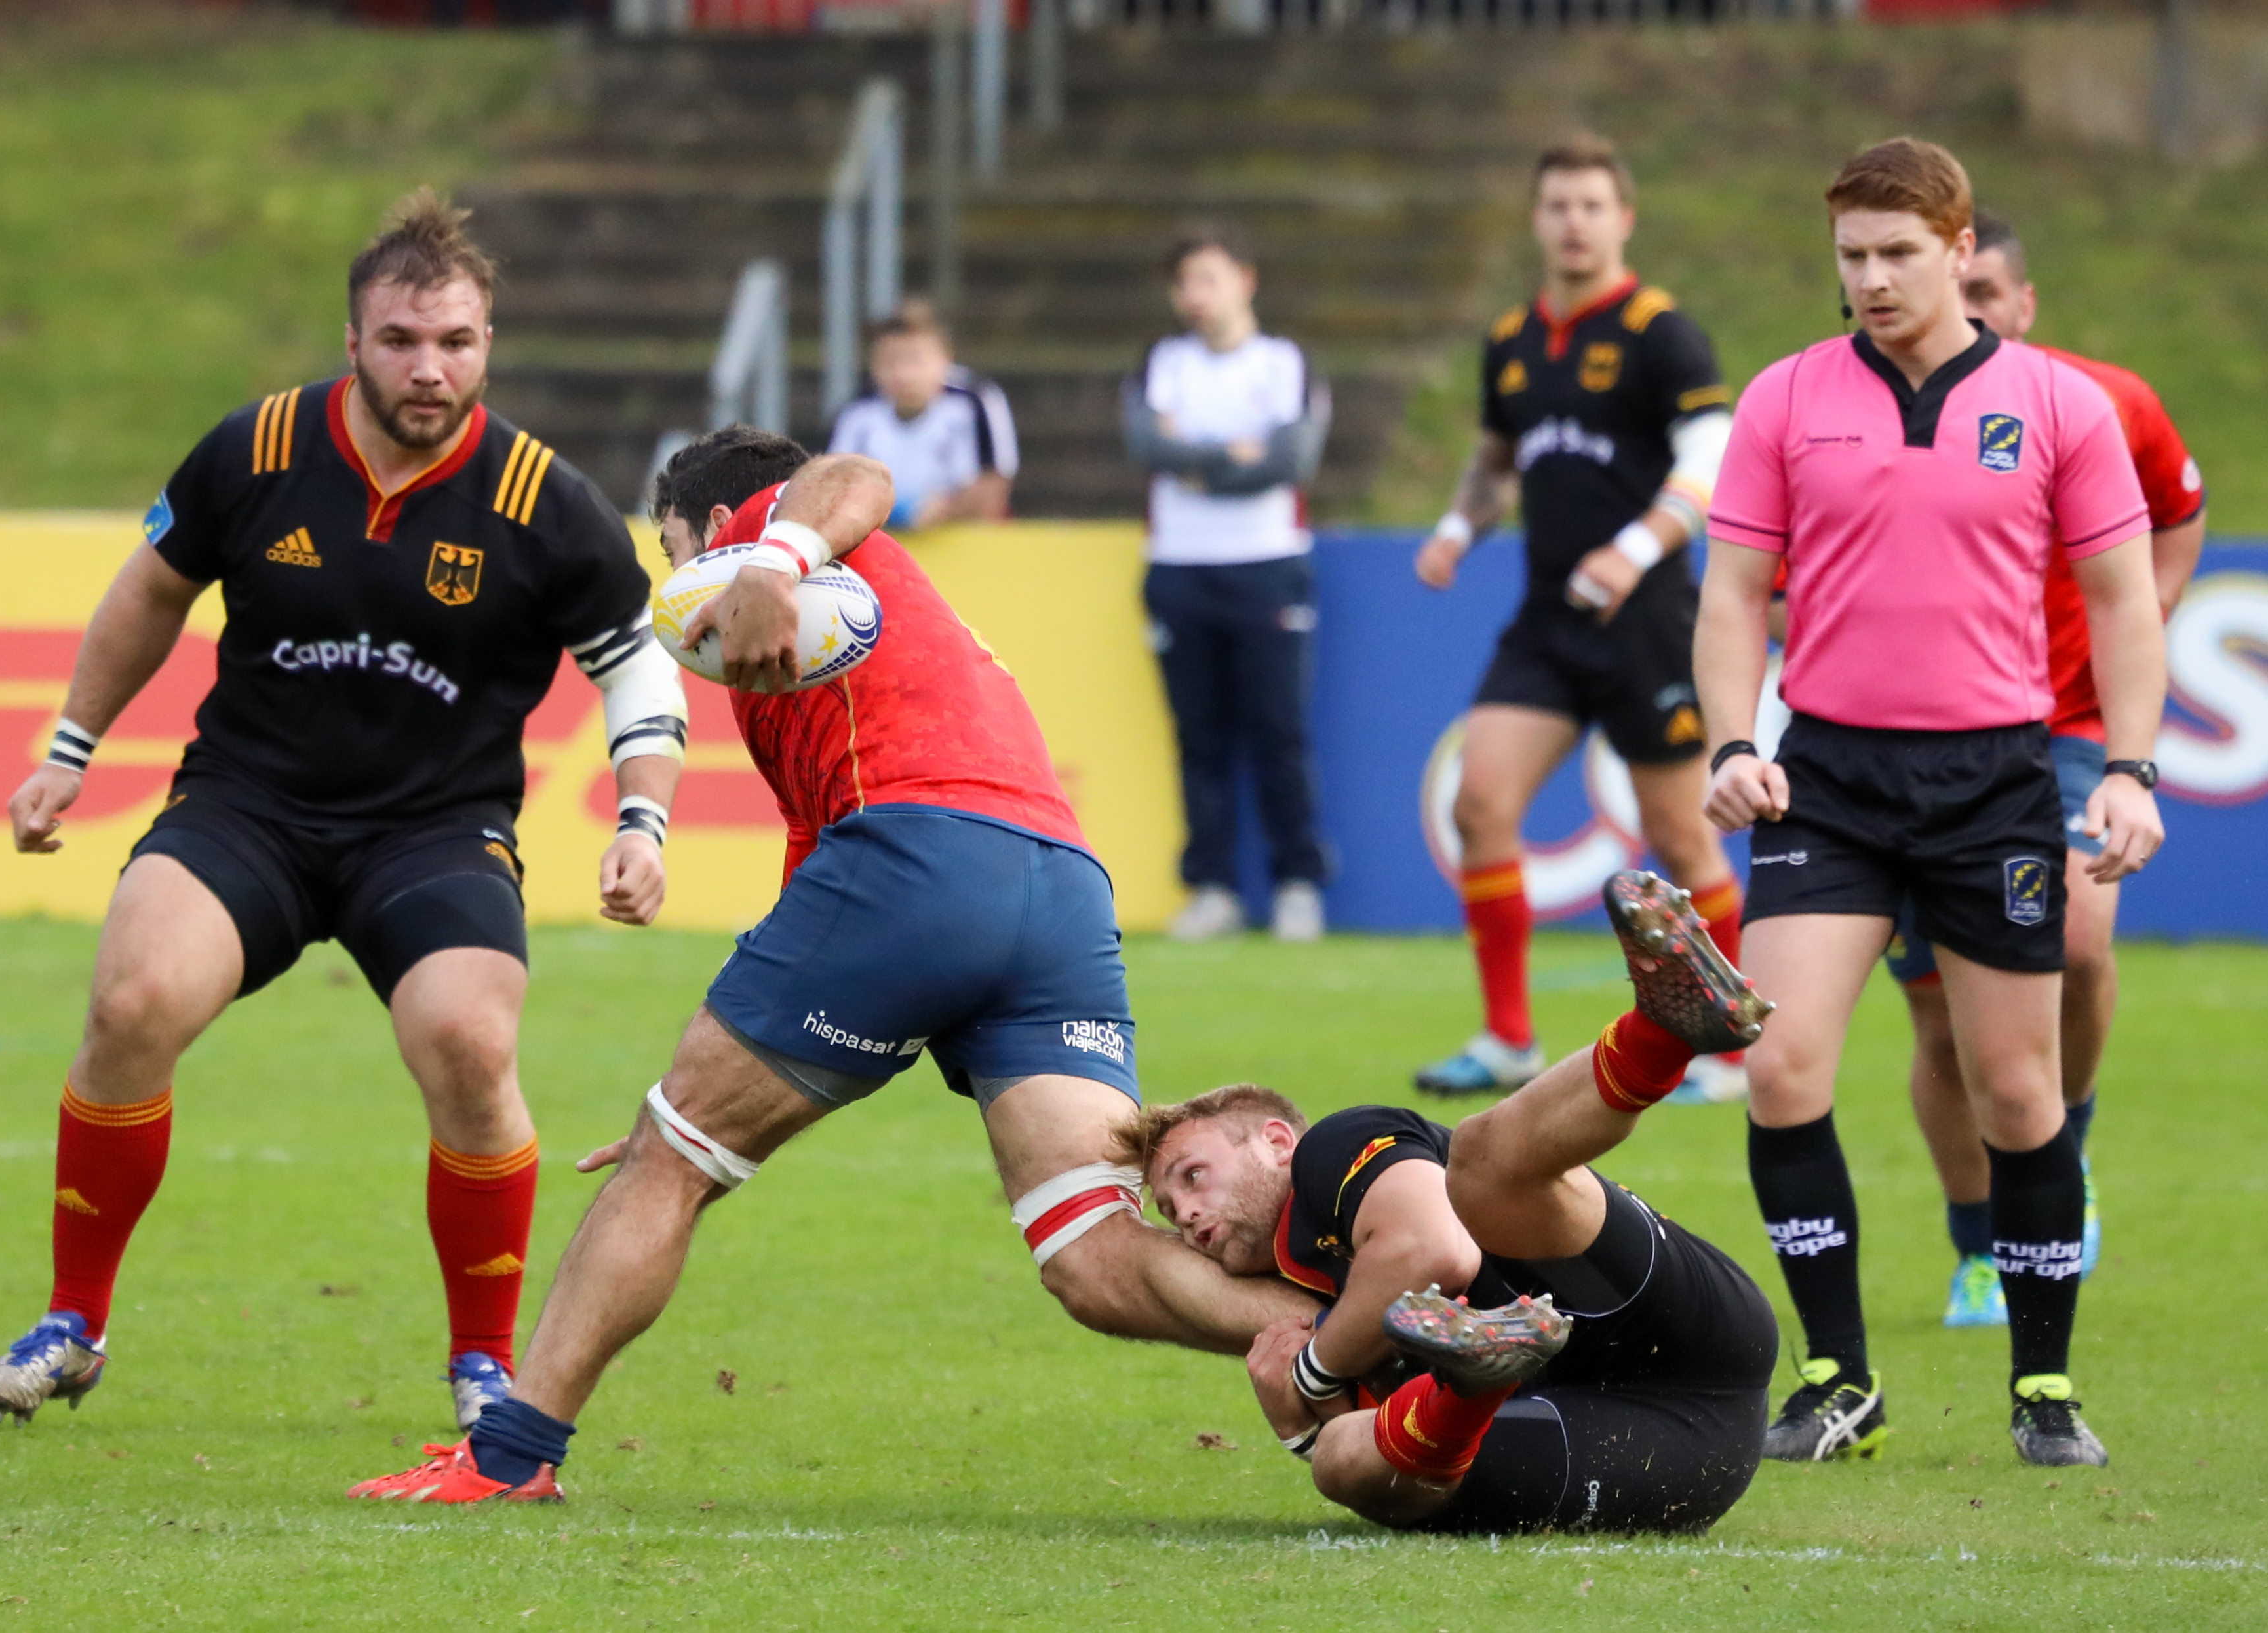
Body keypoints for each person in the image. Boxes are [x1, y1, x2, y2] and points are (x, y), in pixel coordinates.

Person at [348, 428, 1320, 1504]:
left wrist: (767, 562)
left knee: (667, 1170)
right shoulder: (809, 661)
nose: (680, 582)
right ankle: (1357, 1336)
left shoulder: (777, 537)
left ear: (712, 528)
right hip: (1058, 889)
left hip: (922, 853)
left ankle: (509, 1456)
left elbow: (858, 475)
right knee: (1091, 1254)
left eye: (674, 553)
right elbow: (815, 872)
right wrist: (711, 1087)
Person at [0, 192, 692, 1432]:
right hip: (247, 806)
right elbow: (150, 590)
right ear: (353, 340)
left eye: (455, 342)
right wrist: (71, 749)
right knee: (132, 1002)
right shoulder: (257, 449)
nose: (429, 369)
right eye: (401, 340)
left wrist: (642, 820)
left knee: (470, 1045)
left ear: (487, 343)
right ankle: (72, 1324)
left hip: (434, 829)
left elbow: (637, 669)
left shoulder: (542, 498)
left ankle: (483, 1367)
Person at [1698, 140, 2167, 1468]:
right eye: (1850, 255)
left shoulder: (2059, 403)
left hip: (1993, 782)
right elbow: (1732, 595)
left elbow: (2124, 600)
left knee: (2016, 1093)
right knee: (1779, 1065)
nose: (1871, 279)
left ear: (1962, 251)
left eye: (1898, 253)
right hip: (1829, 779)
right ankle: (1838, 1378)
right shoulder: (1786, 396)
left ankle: (2043, 1387)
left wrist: (2129, 768)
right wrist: (1732, 741)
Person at [1126, 870, 1778, 1533]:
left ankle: (1664, 1032)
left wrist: (1314, 1373)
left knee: (1478, 1167)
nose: (1186, 1213)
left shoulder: (1330, 1153)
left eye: (1193, 1175)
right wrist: (1305, 1434)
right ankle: (1478, 1379)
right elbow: (1385, 1485)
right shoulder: (1309, 1296)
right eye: (1169, 1210)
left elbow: (1435, 1250)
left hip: (1668, 1328)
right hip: (1684, 1450)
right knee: (1342, 1459)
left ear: (1275, 1142)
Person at [1883, 211, 2206, 1328]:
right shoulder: (1868, 412)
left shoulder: (2104, 401)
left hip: (2061, 723)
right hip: (1908, 745)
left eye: (1984, 292)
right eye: (1953, 290)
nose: (1964, 312)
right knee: (1939, 1021)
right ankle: (1978, 1246)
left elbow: (2177, 510)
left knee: (2072, 939)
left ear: (2021, 306)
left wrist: (2149, 610)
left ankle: (2063, 1143)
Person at [1409, 134, 1744, 1103]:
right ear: (1536, 218)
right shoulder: (1512, 340)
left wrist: (1635, 548)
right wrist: (1455, 529)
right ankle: (1507, 1039)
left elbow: (1712, 456)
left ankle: (1728, 1049)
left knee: (1679, 838)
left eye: (1592, 205)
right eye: (1557, 205)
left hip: (1647, 623)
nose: (1573, 222)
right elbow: (1495, 462)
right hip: (1548, 621)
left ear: (1623, 218)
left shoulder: (1660, 332)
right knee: (1480, 805)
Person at [1124, 226, 1333, 944]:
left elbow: (1289, 460)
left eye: (1209, 279)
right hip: (1179, 565)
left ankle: (1297, 883)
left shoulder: (1281, 363)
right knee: (1199, 737)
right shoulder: (1163, 362)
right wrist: (1231, 453)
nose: (1196, 296)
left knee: (1279, 731)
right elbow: (1146, 445)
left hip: (1266, 563)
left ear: (1246, 280)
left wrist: (1194, 463)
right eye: (1185, 282)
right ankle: (1213, 887)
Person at [825, 299, 1019, 531]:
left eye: (915, 360)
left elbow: (994, 487)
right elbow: (830, 487)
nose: (903, 375)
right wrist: (894, 514)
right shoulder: (857, 412)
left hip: (966, 540)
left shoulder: (976, 400)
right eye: (890, 362)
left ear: (945, 359)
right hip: (879, 539)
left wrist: (943, 511)